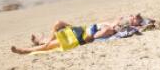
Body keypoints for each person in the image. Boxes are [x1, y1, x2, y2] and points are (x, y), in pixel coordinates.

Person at [11, 14, 150, 54]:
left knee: (50, 45)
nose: (131, 16)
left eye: (133, 18)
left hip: (78, 38)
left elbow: (92, 38)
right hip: (80, 29)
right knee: (59, 23)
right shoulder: (113, 24)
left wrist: (109, 27)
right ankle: (42, 41)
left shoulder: (110, 29)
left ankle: (26, 50)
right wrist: (113, 22)